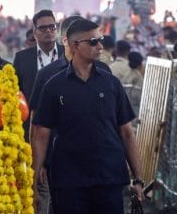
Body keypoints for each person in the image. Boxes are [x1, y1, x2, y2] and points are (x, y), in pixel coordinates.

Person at [32, 18, 143, 213]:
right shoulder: (53, 86)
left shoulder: (111, 84)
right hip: (69, 181)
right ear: (74, 45)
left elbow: (126, 133)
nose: (100, 46)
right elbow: (41, 134)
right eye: (93, 42)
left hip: (108, 178)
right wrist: (33, 181)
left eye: (100, 40)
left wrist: (138, 178)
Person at [13, 9, 63, 141]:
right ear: (35, 33)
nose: (48, 31)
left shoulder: (68, 54)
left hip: (64, 122)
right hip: (34, 122)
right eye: (43, 28)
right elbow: (17, 93)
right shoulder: (22, 58)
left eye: (52, 27)